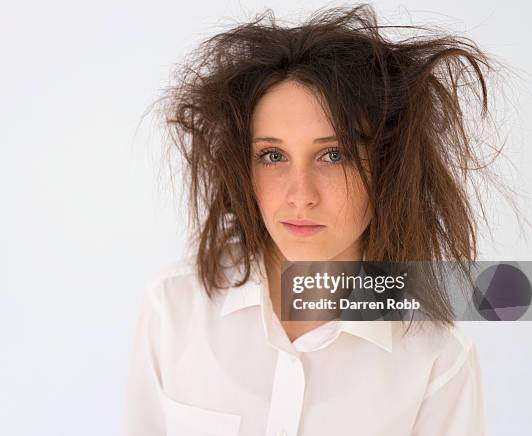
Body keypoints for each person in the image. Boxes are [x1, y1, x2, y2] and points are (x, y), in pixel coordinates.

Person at [124, 5, 497, 435]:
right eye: (273, 156)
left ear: (389, 168)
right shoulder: (173, 309)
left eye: (333, 155)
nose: (300, 196)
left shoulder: (437, 359)